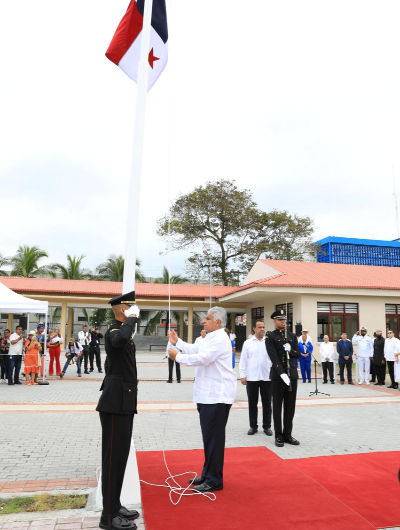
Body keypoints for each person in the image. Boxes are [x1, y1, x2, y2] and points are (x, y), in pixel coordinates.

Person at [168, 307, 236, 493]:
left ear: (218, 322)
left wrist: (178, 356)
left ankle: (214, 479)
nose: (204, 321)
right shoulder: (209, 338)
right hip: (207, 395)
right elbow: (195, 349)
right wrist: (178, 342)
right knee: (209, 437)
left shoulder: (221, 339)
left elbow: (203, 358)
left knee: (214, 437)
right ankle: (207, 474)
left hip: (217, 396)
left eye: (208, 318)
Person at [96, 291, 140, 530]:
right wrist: (131, 320)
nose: (135, 309)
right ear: (123, 310)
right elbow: (119, 341)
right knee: (112, 459)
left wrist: (130, 323)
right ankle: (108, 517)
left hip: (124, 401)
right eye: (131, 307)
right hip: (114, 403)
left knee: (120, 457)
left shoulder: (124, 332)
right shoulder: (115, 331)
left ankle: (115, 504)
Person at [265, 309, 300, 448]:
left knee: (290, 407)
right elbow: (273, 356)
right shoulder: (270, 337)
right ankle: (278, 435)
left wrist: (290, 350)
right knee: (278, 406)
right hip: (278, 376)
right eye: (280, 320)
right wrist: (281, 373)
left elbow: (297, 354)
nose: (283, 322)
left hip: (292, 375)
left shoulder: (292, 336)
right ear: (274, 321)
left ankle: (288, 434)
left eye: (284, 320)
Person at [239, 319, 272, 436]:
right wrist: (242, 375)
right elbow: (243, 360)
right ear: (254, 328)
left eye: (263, 327)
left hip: (267, 378)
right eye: (259, 327)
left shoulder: (269, 342)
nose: (262, 329)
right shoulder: (247, 343)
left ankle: (267, 426)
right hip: (252, 378)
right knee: (252, 403)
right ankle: (253, 426)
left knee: (267, 403)